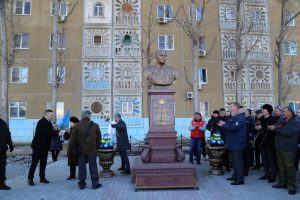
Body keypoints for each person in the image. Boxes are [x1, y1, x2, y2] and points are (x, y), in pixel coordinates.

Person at [69, 110, 102, 190]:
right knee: (93, 166)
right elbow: (99, 139)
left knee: (82, 167)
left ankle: (82, 184)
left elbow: (72, 139)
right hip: (92, 149)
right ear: (89, 116)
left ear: (82, 116)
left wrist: (70, 150)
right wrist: (96, 147)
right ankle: (95, 183)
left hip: (81, 149)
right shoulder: (95, 125)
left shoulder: (77, 126)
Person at [271, 106, 300, 195]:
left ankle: (292, 187)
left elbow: (288, 132)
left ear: (291, 112)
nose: (283, 113)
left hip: (289, 148)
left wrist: (277, 129)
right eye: (283, 111)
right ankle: (282, 183)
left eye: (285, 111)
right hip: (279, 146)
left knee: (289, 167)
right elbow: (278, 126)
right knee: (281, 166)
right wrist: (277, 128)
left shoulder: (296, 121)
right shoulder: (282, 119)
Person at [218, 102, 247, 185]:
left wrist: (223, 125)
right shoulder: (232, 116)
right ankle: (235, 175)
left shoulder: (240, 117)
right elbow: (229, 125)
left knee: (238, 162)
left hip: (237, 143)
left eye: (231, 106)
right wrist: (224, 124)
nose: (230, 107)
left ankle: (240, 179)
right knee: (233, 161)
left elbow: (234, 127)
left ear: (236, 107)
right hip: (232, 143)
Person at [28, 110, 58, 186]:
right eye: (51, 115)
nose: (52, 116)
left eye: (52, 115)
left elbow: (51, 133)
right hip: (38, 146)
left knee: (43, 163)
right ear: (46, 115)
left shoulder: (49, 123)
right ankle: (30, 178)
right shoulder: (41, 122)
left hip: (45, 147)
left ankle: (42, 178)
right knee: (34, 163)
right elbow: (46, 133)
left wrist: (55, 131)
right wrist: (55, 131)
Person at [256, 104, 277, 183]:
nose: (263, 111)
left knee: (271, 159)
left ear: (269, 111)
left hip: (270, 142)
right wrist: (258, 128)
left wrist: (264, 128)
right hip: (262, 142)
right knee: (264, 159)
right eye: (263, 109)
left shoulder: (273, 118)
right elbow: (259, 127)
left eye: (265, 109)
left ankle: (273, 176)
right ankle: (266, 174)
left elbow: (273, 130)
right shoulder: (261, 118)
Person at [0, 115, 14, 190]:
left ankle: (2, 184)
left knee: (2, 167)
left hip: (2, 150)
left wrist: (10, 144)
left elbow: (8, 134)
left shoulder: (3, 123)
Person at [219, 108, 230, 172]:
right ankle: (219, 166)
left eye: (223, 113)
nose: (222, 114)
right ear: (219, 113)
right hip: (218, 138)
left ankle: (227, 166)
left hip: (226, 137)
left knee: (226, 153)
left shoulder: (228, 119)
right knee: (219, 153)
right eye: (221, 113)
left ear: (225, 113)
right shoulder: (217, 119)